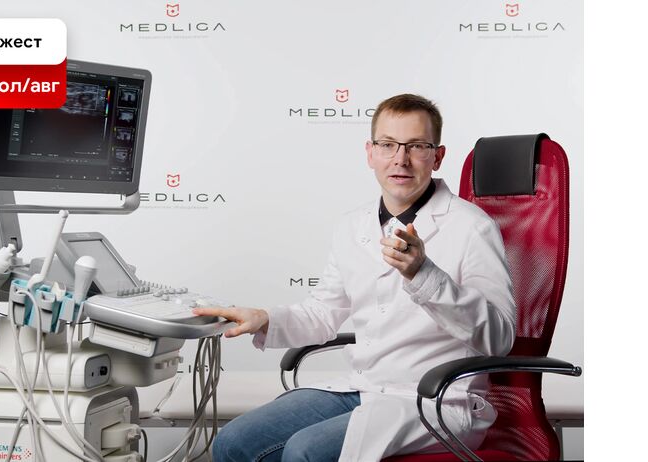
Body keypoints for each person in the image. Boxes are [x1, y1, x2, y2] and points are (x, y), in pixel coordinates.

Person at [193, 94, 517, 462]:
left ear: (437, 156)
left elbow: (499, 338)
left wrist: (423, 274)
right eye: (388, 144)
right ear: (370, 153)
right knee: (233, 442)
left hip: (437, 400)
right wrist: (265, 319)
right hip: (364, 388)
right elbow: (322, 314)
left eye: (416, 146)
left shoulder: (472, 227)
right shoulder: (352, 225)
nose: (400, 159)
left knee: (305, 452)